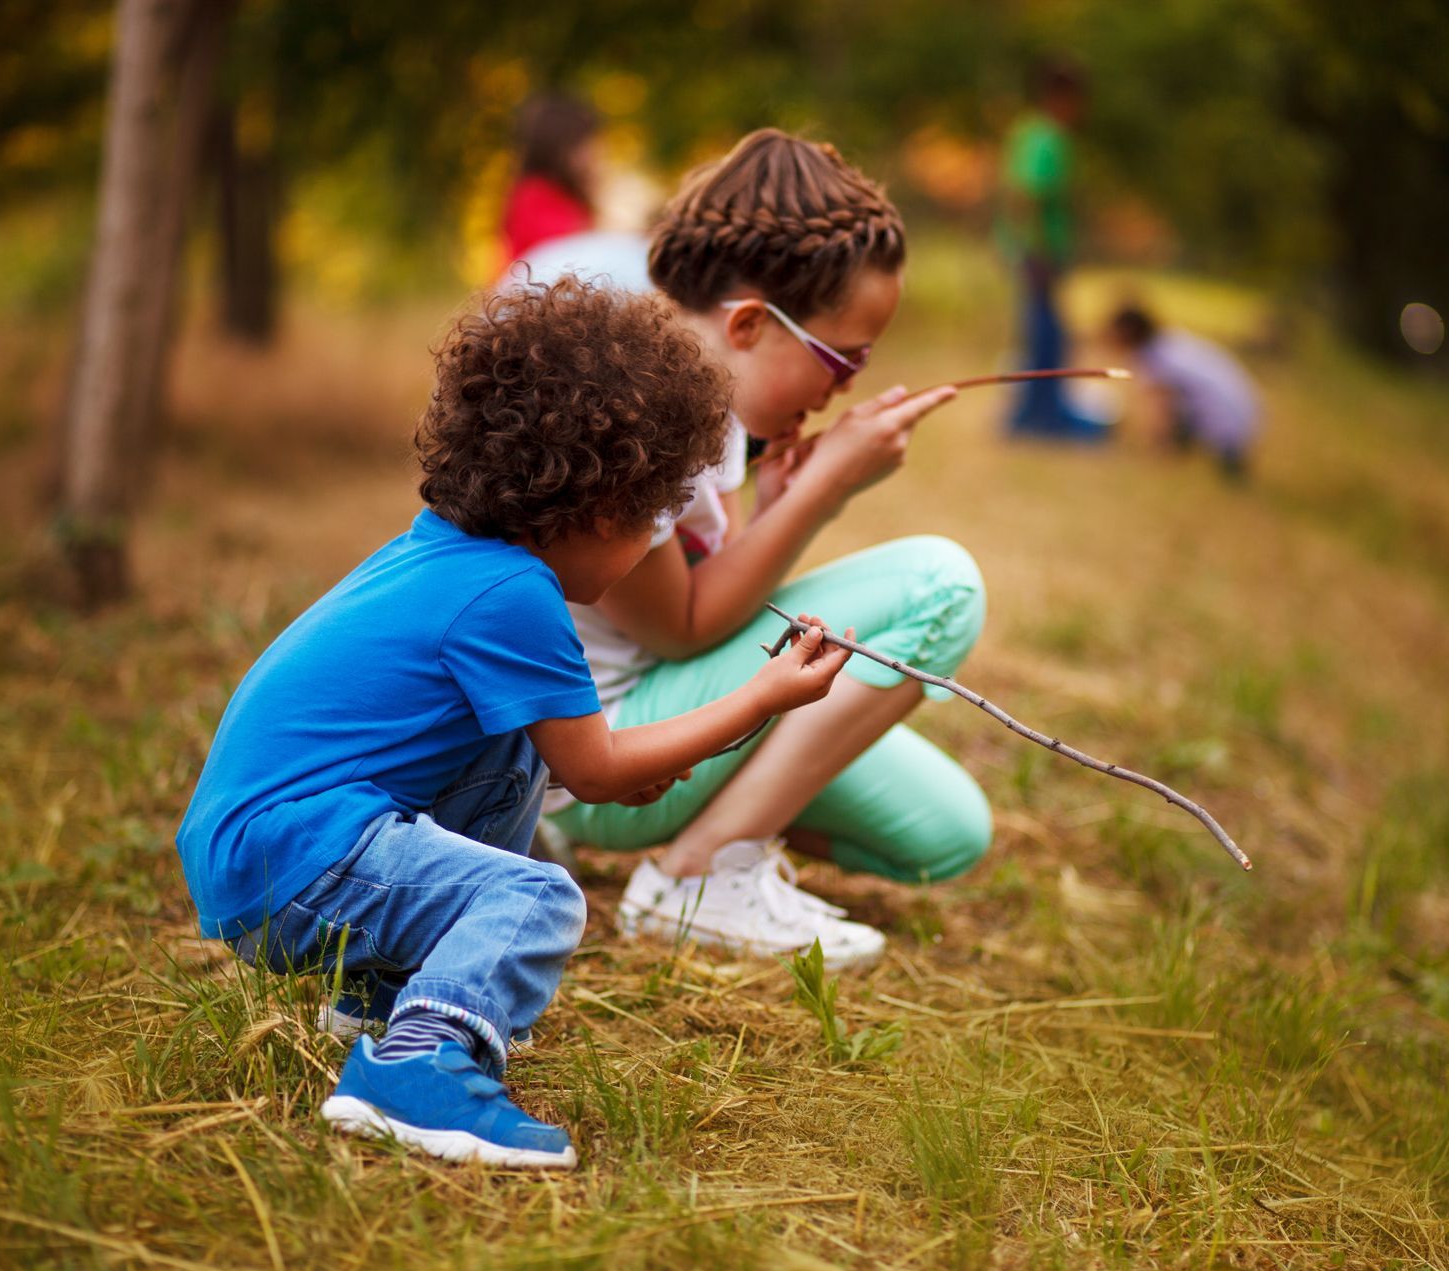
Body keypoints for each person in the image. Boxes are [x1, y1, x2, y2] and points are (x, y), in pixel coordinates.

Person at [174, 279, 856, 1167]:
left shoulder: (455, 555)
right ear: (604, 511)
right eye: (657, 517)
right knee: (533, 893)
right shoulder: (514, 596)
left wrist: (601, 764)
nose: (656, 542)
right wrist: (761, 698)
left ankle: (385, 1005)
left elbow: (576, 762)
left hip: (264, 848)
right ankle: (415, 1071)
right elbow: (604, 769)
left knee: (514, 758)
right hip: (292, 854)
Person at [544, 128, 994, 970]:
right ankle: (701, 874)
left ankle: (725, 837)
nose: (847, 386)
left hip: (661, 722)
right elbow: (678, 629)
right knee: (942, 584)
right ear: (749, 323)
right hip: (602, 757)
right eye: (842, 356)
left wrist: (774, 505)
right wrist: (824, 490)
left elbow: (686, 596)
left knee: (946, 833)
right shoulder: (640, 416)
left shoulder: (703, 403)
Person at [999, 59, 1107, 440]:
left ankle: (1038, 412)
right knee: (1047, 337)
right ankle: (1039, 417)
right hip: (1039, 255)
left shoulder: (1029, 131)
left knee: (1044, 333)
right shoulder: (1047, 136)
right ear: (1063, 96)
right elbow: (1029, 194)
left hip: (1032, 252)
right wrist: (1036, 252)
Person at [1110, 303, 1262, 480]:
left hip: (1226, 425)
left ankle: (1216, 459)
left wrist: (1156, 449)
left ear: (1127, 331)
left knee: (1175, 412)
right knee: (1184, 406)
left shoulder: (1156, 358)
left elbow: (1162, 410)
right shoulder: (1171, 340)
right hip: (1248, 413)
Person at [497, 94, 600, 274]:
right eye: (584, 145)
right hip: (528, 292)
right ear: (560, 148)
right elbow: (563, 250)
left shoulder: (567, 196)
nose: (592, 154)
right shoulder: (533, 194)